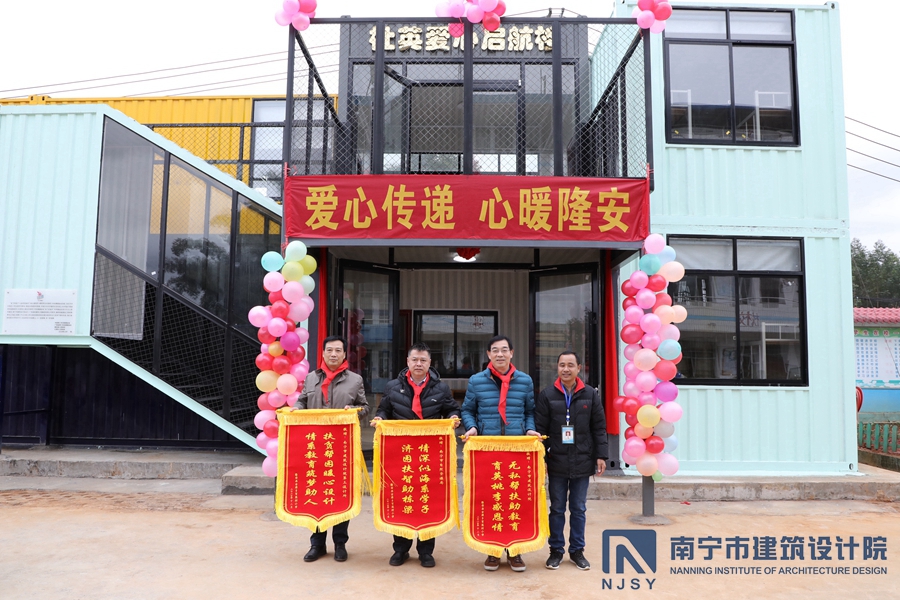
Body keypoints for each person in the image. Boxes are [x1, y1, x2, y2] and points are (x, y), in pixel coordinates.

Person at [371, 342, 460, 568]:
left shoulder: (441, 388)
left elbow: (451, 409)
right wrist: (381, 418)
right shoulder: (393, 386)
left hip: (429, 454)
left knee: (428, 498)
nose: (418, 364)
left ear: (430, 363)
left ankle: (426, 551)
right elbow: (384, 410)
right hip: (400, 454)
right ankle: (400, 549)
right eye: (415, 360)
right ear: (408, 362)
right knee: (402, 497)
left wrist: (453, 417)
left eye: (423, 360)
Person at [461, 335, 540, 572]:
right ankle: (493, 551)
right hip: (488, 449)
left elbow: (530, 411)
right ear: (488, 354)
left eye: (504, 350)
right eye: (495, 350)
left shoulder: (525, 381)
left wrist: (529, 429)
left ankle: (515, 551)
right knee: (490, 498)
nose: (500, 354)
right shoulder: (476, 381)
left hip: (517, 448)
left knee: (516, 498)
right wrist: (472, 427)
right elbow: (467, 410)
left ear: (511, 353)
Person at [294, 335, 368, 563]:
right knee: (315, 493)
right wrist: (296, 409)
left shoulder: (355, 380)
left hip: (342, 448)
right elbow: (302, 401)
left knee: (341, 494)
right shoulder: (310, 378)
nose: (333, 354)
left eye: (338, 350)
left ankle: (340, 543)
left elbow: (365, 407)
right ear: (323, 353)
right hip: (315, 447)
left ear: (344, 354)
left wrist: (354, 410)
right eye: (329, 350)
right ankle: (316, 544)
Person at [534, 351, 608, 571]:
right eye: (562, 365)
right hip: (556, 460)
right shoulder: (547, 395)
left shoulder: (590, 394)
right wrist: (543, 458)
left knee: (578, 508)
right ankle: (556, 550)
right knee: (557, 508)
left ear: (579, 368)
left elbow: (599, 427)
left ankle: (577, 551)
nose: (565, 369)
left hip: (583, 459)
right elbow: (540, 430)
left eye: (570, 365)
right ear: (557, 367)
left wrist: (601, 455)